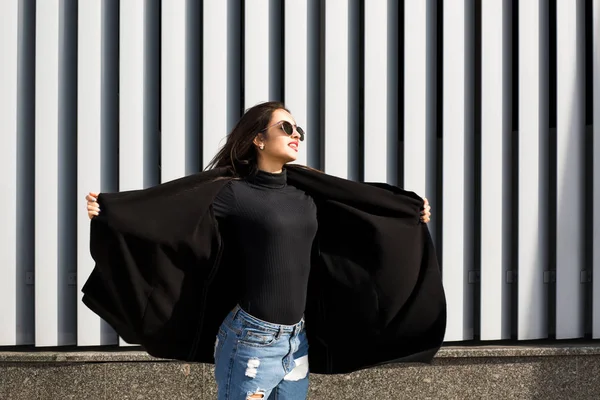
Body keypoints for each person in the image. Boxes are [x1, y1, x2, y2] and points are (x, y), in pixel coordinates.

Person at [85, 101, 436, 400]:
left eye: (298, 129)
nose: (296, 134)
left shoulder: (308, 193)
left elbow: (360, 202)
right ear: (258, 139)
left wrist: (407, 211)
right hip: (250, 342)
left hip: (296, 342)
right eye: (285, 127)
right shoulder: (232, 194)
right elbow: (171, 209)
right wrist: (112, 210)